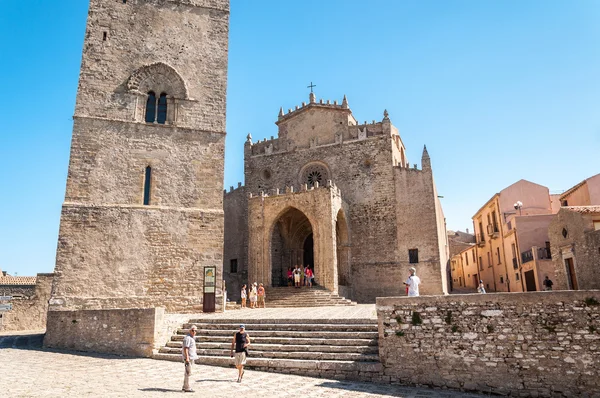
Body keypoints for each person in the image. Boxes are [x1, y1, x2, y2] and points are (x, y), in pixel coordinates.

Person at [182, 324, 198, 392]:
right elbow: (186, 348)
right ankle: (187, 387)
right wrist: (187, 358)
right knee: (188, 372)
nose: (194, 332)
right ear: (190, 330)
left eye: (195, 331)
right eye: (193, 330)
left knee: (187, 372)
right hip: (189, 357)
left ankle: (185, 386)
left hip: (191, 357)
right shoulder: (188, 338)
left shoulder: (192, 338)